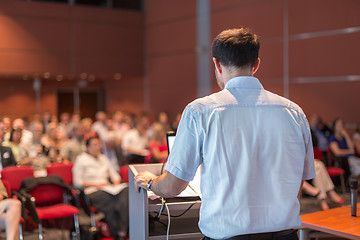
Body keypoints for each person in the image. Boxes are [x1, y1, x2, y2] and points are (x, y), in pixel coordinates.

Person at [135, 28, 315, 240]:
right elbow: (297, 182)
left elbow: (173, 186)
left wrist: (150, 182)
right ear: (256, 64)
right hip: (285, 236)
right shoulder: (294, 112)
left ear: (217, 64)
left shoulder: (200, 111)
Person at [72, 136, 129, 240]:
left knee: (127, 190)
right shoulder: (81, 160)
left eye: (99, 144)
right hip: (92, 191)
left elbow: (115, 176)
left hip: (109, 189)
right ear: (87, 147)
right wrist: (97, 185)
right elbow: (77, 182)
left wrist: (116, 184)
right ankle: (118, 232)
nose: (98, 147)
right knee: (111, 200)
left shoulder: (103, 158)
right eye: (95, 145)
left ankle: (122, 229)